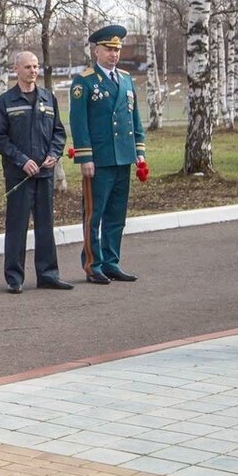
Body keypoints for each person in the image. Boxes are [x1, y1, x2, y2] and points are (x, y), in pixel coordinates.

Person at [69, 25, 146, 285]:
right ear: (96, 50)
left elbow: (133, 116)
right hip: (99, 158)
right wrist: (85, 157)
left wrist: (139, 150)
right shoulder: (85, 81)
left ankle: (112, 262)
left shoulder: (125, 78)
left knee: (117, 215)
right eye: (108, 50)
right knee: (94, 214)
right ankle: (93, 265)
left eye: (117, 50)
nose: (113, 55)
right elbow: (79, 122)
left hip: (123, 156)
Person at [0, 51, 72, 293]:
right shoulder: (5, 101)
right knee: (17, 226)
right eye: (28, 67)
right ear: (16, 69)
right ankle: (14, 278)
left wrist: (54, 154)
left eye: (36, 66)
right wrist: (21, 160)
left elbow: (58, 131)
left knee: (45, 225)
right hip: (20, 175)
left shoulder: (48, 98)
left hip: (45, 174)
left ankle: (48, 274)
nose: (33, 71)